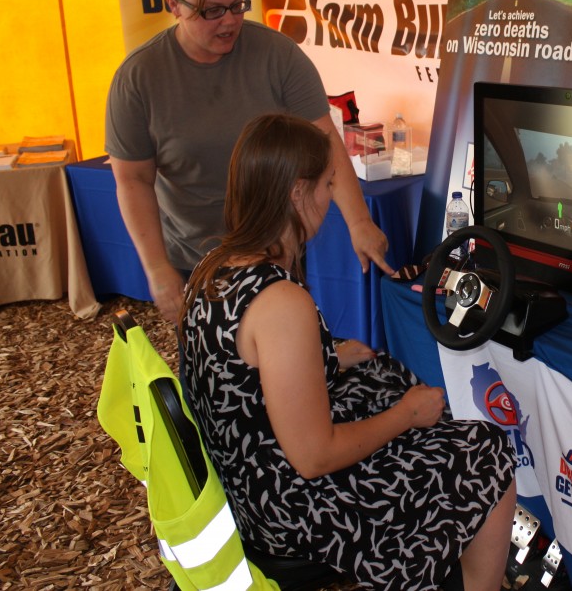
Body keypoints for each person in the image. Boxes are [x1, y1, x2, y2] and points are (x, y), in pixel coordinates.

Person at [181, 113, 518, 591]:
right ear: (296, 193)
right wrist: (406, 415)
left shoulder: (212, 266)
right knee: (485, 451)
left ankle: (451, 547)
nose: (330, 199)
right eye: (327, 185)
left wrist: (326, 357)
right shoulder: (280, 303)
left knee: (382, 378)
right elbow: (314, 458)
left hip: (242, 475)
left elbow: (241, 375)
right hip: (286, 509)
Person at [105, 0, 391, 326]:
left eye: (237, 5)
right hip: (195, 256)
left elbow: (324, 142)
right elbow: (133, 180)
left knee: (287, 350)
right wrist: (156, 268)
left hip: (276, 249)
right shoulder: (138, 78)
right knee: (215, 367)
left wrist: (358, 222)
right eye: (211, 11)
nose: (229, 21)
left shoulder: (278, 55)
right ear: (174, 5)